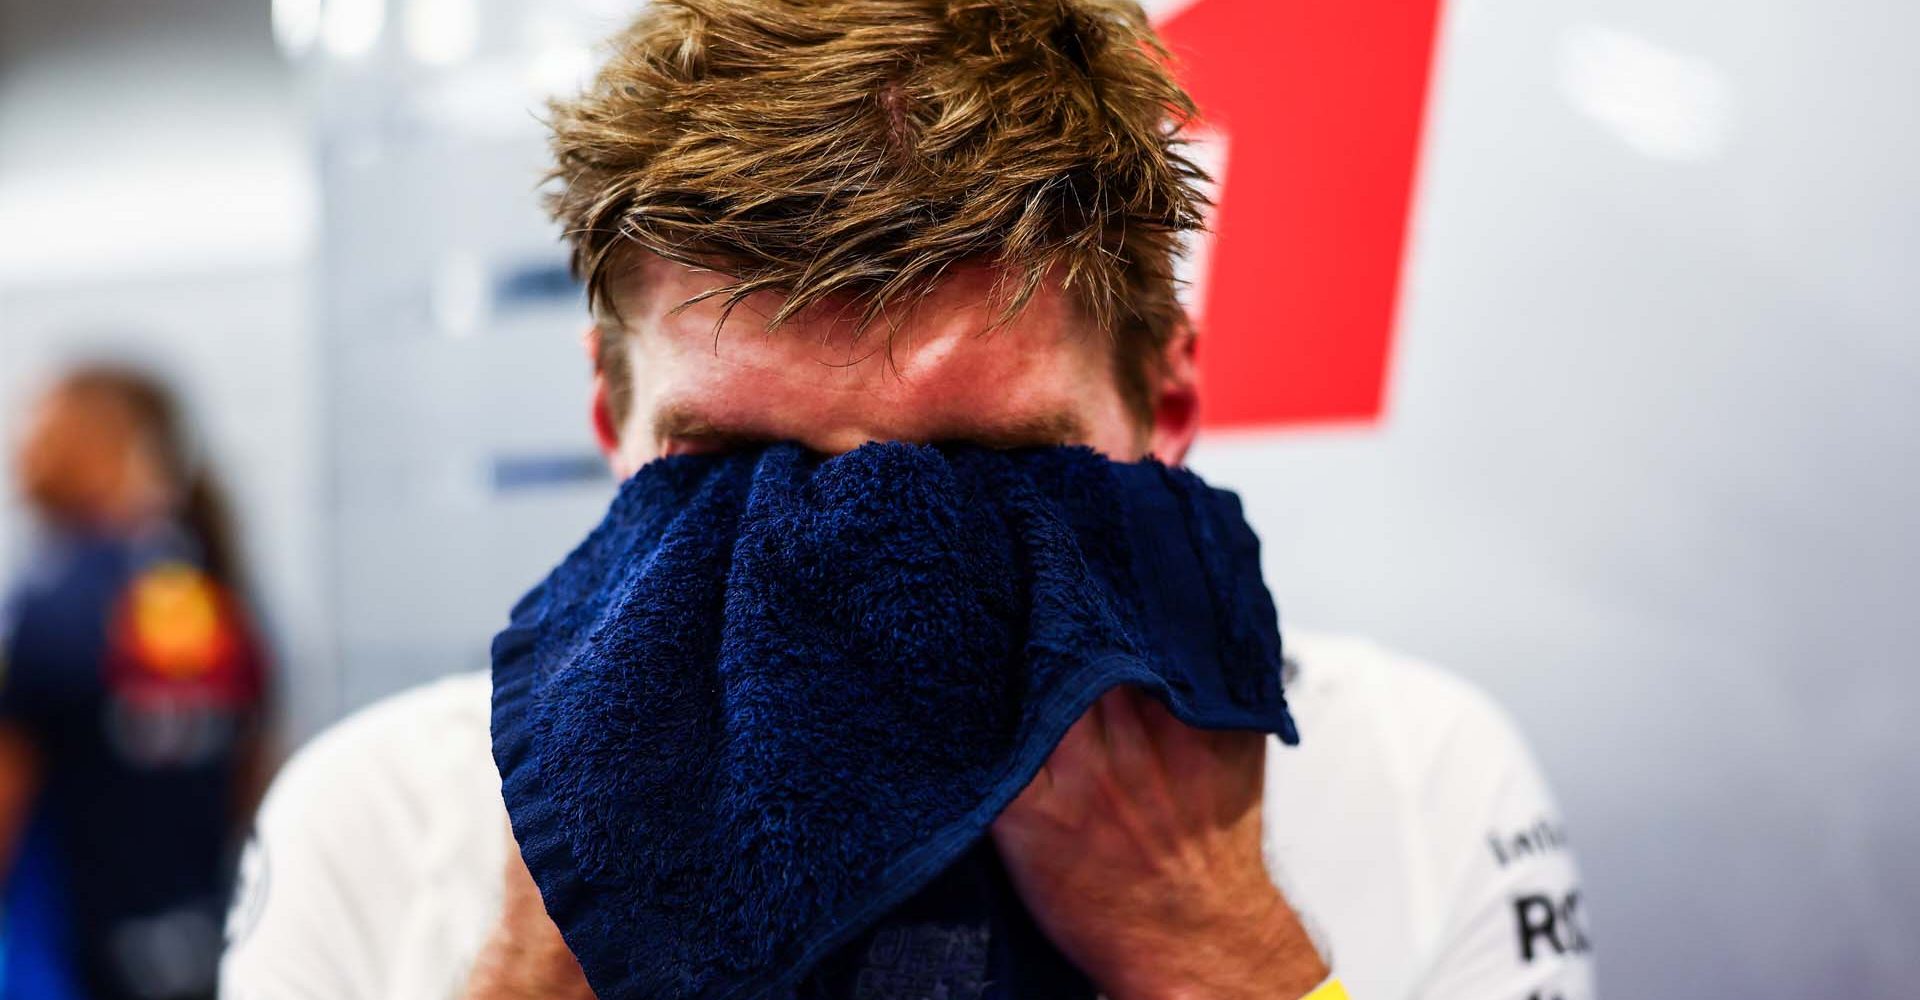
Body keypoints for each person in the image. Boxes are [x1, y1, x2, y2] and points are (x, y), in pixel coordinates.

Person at [223, 2, 1595, 998]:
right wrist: (549, 946)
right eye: (738, 469)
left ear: (1165, 403)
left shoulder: (1415, 778)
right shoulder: (380, 821)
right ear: (612, 425)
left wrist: (1212, 940)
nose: (857, 560)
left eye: (986, 466)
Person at [0, 366, 272, 1000]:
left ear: (99, 444)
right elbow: (252, 778)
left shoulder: (51, 602)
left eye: (39, 425)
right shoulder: (216, 594)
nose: (21, 449)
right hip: (196, 951)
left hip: (66, 965)